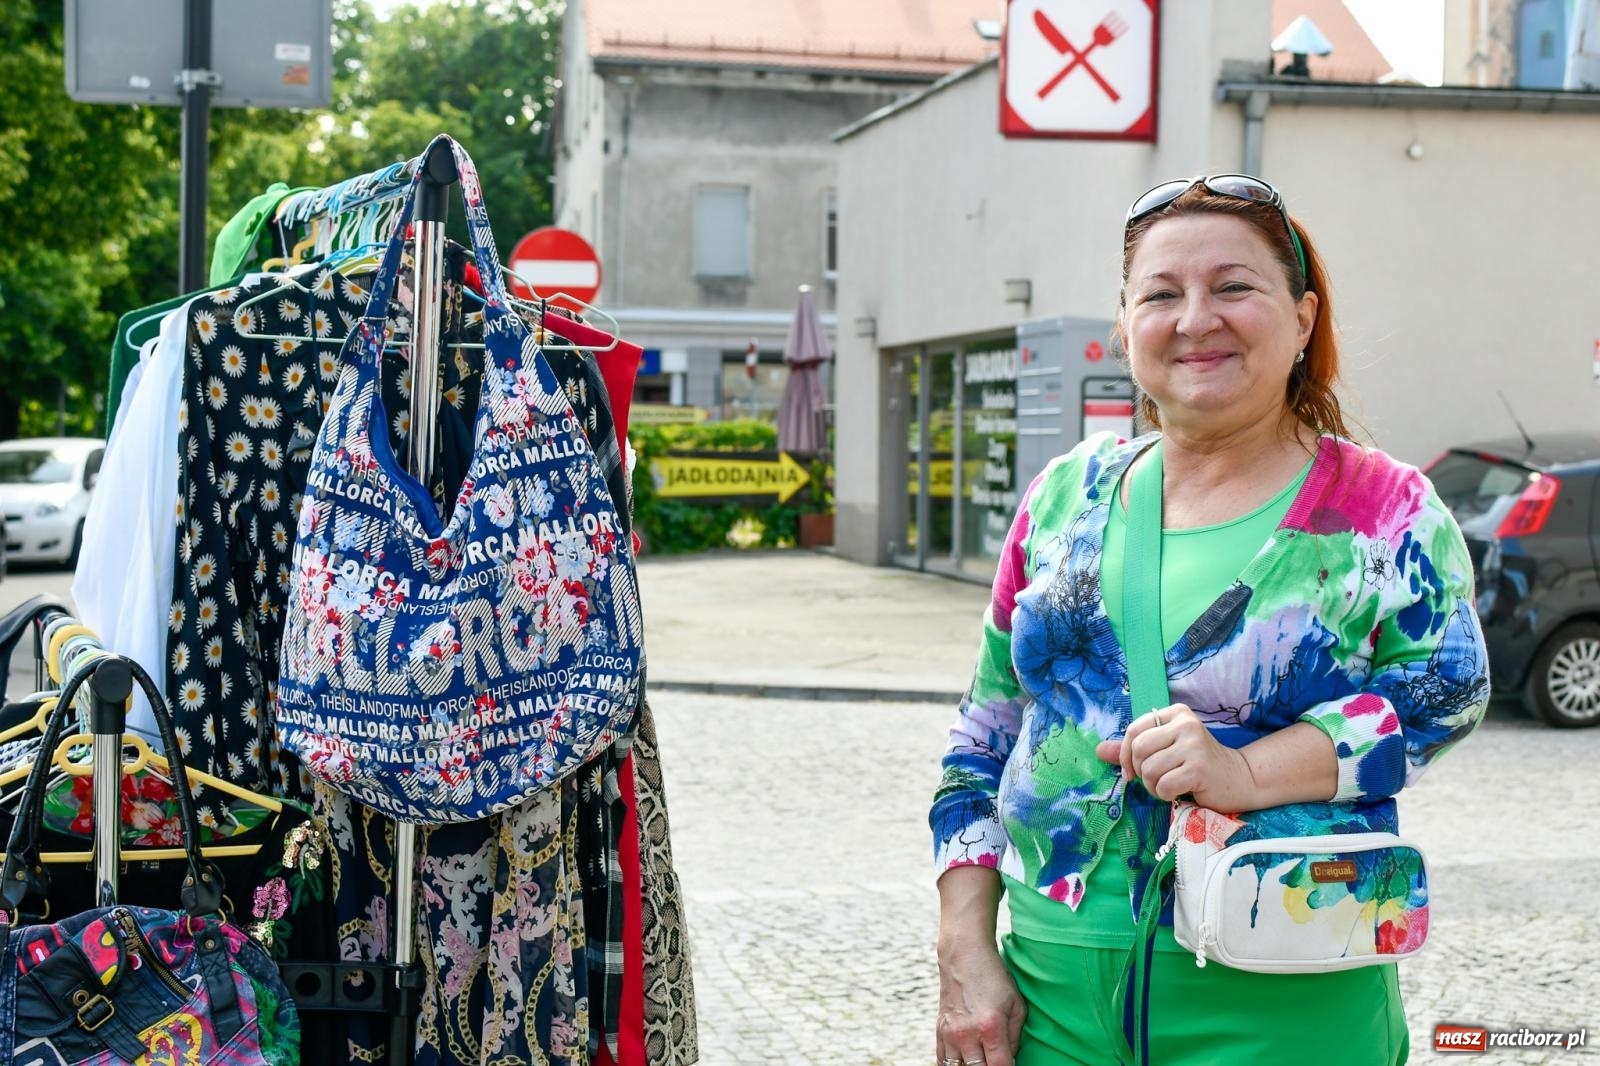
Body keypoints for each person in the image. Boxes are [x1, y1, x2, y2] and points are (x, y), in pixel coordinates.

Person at [930, 175, 1489, 1066]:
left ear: (1302, 319)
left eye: (1233, 287)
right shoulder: (1065, 496)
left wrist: (1247, 772)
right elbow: (984, 732)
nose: (1195, 319)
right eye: (1161, 294)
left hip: (1287, 987)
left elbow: (1446, 693)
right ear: (1124, 329)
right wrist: (965, 946)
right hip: (1051, 997)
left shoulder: (1385, 510)